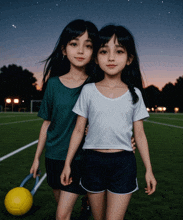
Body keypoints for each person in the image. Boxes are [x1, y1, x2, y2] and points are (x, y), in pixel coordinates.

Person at [60, 24, 157, 220]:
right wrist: (68, 163)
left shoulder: (135, 94)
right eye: (104, 51)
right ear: (96, 57)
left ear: (129, 59)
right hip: (92, 162)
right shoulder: (88, 91)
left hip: (123, 164)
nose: (111, 58)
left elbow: (140, 135)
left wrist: (149, 170)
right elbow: (79, 130)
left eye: (119, 51)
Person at [30, 19, 99, 220]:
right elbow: (47, 124)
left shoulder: (95, 85)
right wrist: (36, 158)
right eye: (74, 44)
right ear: (64, 49)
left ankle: (85, 197)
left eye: (88, 46)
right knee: (62, 205)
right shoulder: (52, 85)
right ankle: (86, 200)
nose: (80, 51)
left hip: (79, 159)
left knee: (61, 215)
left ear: (94, 52)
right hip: (53, 157)